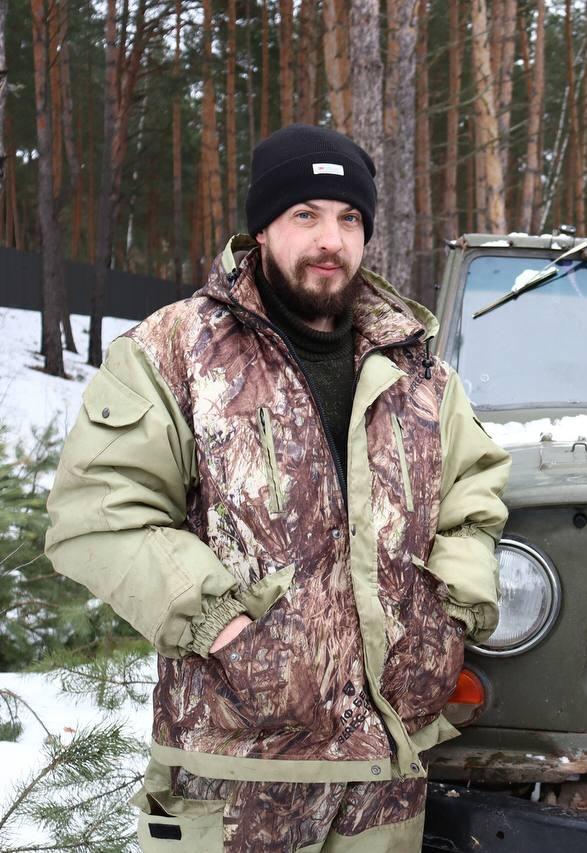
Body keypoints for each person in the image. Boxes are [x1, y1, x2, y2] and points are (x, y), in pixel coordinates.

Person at [44, 124, 510, 851]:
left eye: (349, 218)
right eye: (307, 214)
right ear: (262, 227)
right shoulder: (173, 353)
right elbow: (97, 513)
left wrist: (450, 607)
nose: (331, 238)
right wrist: (226, 628)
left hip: (384, 775)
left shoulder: (421, 373)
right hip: (236, 774)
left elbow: (472, 495)